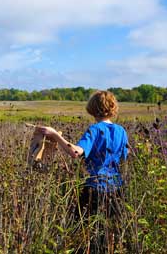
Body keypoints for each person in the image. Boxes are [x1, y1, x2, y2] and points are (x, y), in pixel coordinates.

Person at [37, 90, 129, 252]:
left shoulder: (94, 130)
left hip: (95, 189)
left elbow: (76, 152)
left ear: (92, 108)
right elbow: (125, 157)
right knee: (110, 234)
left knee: (84, 234)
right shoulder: (121, 131)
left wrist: (54, 135)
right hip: (116, 189)